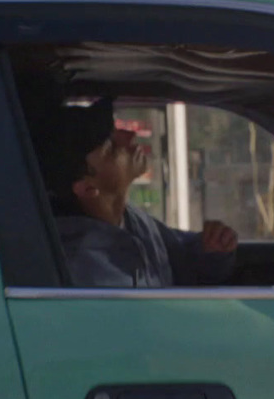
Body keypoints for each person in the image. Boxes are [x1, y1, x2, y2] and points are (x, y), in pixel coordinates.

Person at [33, 98, 238, 288]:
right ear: (88, 189)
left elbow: (182, 257)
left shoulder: (133, 220)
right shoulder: (83, 265)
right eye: (111, 148)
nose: (129, 135)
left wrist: (211, 250)